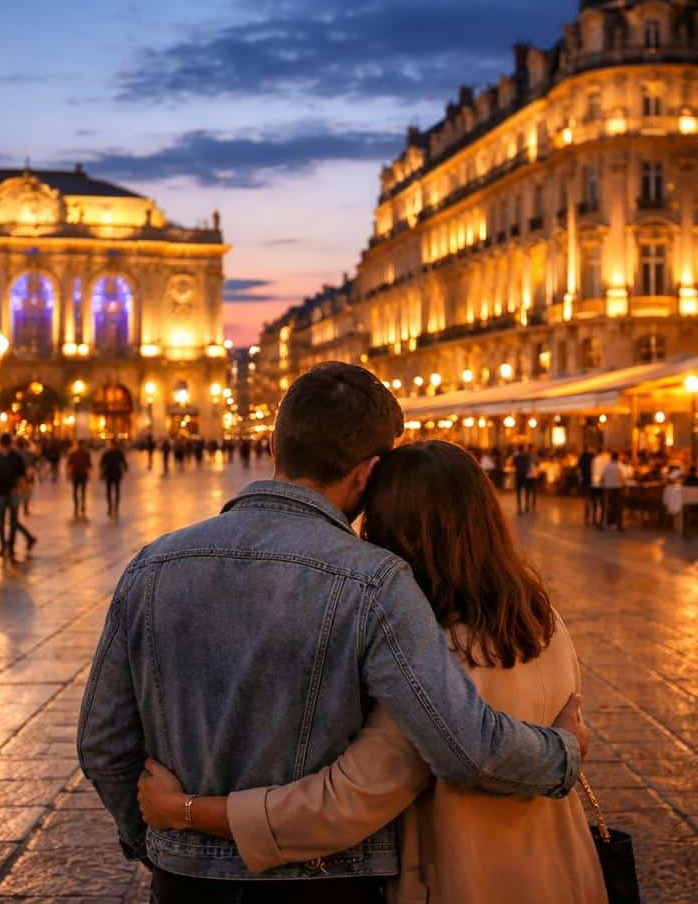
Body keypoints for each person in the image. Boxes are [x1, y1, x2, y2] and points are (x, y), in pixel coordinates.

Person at [77, 363, 586, 902]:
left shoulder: (151, 565)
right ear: (368, 474)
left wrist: (157, 840)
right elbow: (464, 744)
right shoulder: (376, 581)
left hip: (184, 883)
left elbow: (102, 743)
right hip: (328, 882)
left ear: (273, 444)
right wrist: (564, 752)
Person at [0, 434, 33, 556]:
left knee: (2, 522)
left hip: (1, 492)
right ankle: (10, 547)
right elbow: (23, 475)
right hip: (11, 492)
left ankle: (3, 547)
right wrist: (21, 488)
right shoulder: (16, 457)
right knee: (12, 521)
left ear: (0, 444)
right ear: (11, 444)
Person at [599, 449, 630, 532]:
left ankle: (604, 523)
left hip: (608, 489)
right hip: (617, 489)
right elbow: (623, 479)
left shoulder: (606, 466)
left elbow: (602, 478)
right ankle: (619, 525)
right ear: (618, 458)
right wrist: (625, 487)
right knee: (618, 507)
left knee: (607, 507)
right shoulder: (620, 466)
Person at [100, 438, 128, 518]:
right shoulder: (115, 453)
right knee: (111, 491)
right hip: (112, 474)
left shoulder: (112, 453)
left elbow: (123, 463)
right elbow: (102, 464)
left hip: (113, 474)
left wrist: (125, 469)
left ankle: (115, 507)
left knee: (115, 491)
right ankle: (111, 506)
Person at [67, 441, 92, 518]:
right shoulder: (86, 453)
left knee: (75, 490)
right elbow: (89, 465)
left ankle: (76, 505)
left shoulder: (72, 454)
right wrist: (88, 472)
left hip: (75, 474)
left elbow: (69, 464)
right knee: (83, 491)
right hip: (83, 474)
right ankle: (82, 504)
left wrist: (68, 473)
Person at [511, 443, 537, 515]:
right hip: (525, 476)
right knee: (526, 491)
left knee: (518, 492)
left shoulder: (516, 457)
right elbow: (528, 466)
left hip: (518, 475)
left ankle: (519, 506)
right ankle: (526, 505)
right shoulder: (526, 457)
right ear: (523, 449)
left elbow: (513, 464)